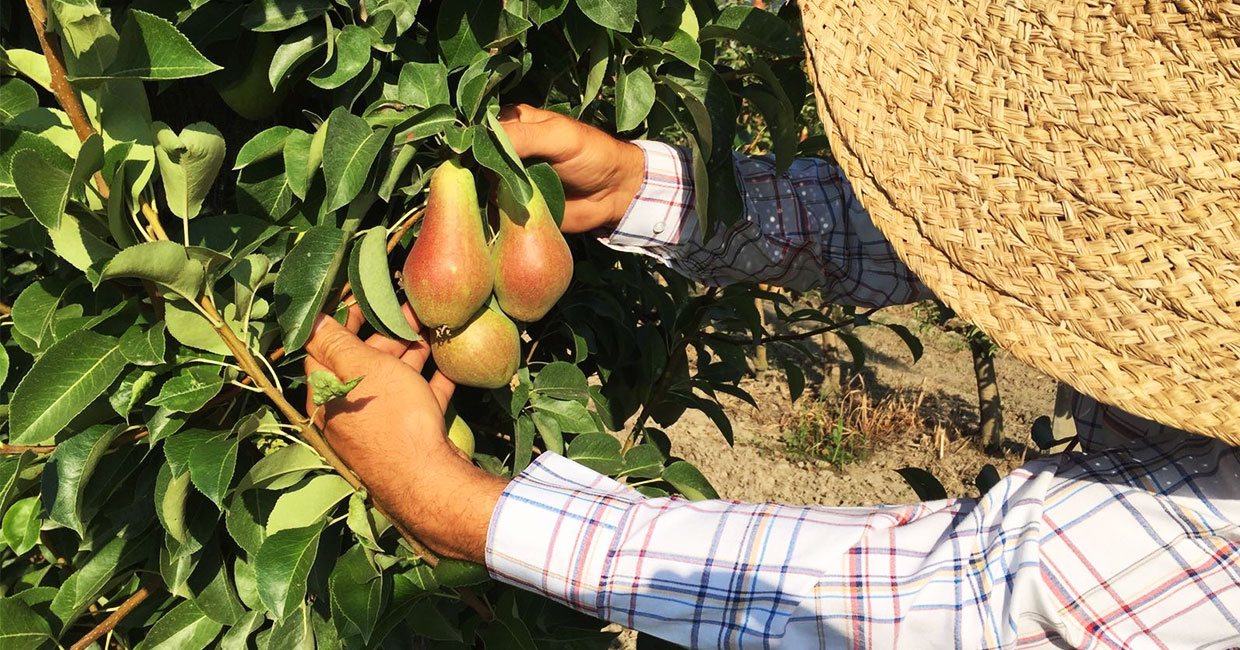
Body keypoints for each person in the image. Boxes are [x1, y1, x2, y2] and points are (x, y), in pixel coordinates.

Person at [302, 0, 1240, 645]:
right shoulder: (1146, 235)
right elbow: (1001, 223)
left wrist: (462, 507)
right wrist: (651, 190)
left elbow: (981, 600)